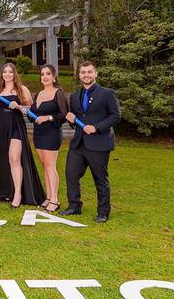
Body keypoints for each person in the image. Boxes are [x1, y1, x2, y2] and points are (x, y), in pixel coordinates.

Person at [61, 61, 121, 223]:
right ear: (79, 75)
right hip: (79, 143)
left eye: (89, 72)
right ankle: (74, 206)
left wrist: (96, 128)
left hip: (99, 143)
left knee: (100, 178)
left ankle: (103, 212)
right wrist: (71, 120)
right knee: (71, 174)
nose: (86, 75)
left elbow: (115, 116)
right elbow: (77, 120)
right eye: (83, 73)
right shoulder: (74, 97)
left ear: (95, 74)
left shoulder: (107, 94)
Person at [0, 62, 45, 208]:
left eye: (10, 71)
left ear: (14, 73)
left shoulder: (21, 89)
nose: (7, 74)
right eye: (5, 72)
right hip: (2, 127)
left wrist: (19, 106)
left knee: (14, 157)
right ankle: (7, 191)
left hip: (16, 125)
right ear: (2, 74)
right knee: (6, 159)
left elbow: (30, 108)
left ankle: (18, 194)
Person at [30, 64, 69, 212]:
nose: (44, 77)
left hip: (51, 133)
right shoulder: (38, 94)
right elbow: (33, 114)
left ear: (54, 77)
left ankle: (55, 200)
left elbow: (64, 115)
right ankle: (48, 197)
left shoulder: (58, 93)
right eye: (42, 74)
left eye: (47, 74)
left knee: (50, 165)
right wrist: (27, 111)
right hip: (38, 134)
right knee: (44, 165)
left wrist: (48, 118)